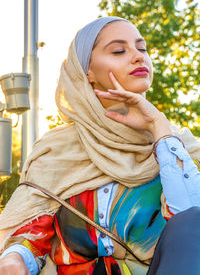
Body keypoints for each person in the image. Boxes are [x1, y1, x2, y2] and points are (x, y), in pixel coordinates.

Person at [0, 16, 200, 275]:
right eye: (119, 50)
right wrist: (14, 258)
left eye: (142, 48)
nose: (139, 57)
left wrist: (158, 127)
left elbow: (192, 226)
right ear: (87, 73)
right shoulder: (55, 151)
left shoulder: (175, 146)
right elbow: (31, 235)